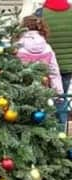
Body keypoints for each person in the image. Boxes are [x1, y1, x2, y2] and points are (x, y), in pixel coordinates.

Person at [39, 0, 72, 128]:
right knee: (61, 98)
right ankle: (60, 131)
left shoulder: (41, 13)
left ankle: (45, 130)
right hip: (67, 66)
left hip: (45, 66)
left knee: (43, 99)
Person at [17, 15, 64, 95]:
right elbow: (54, 71)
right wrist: (58, 92)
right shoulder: (47, 48)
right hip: (43, 89)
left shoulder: (18, 47)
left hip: (22, 90)